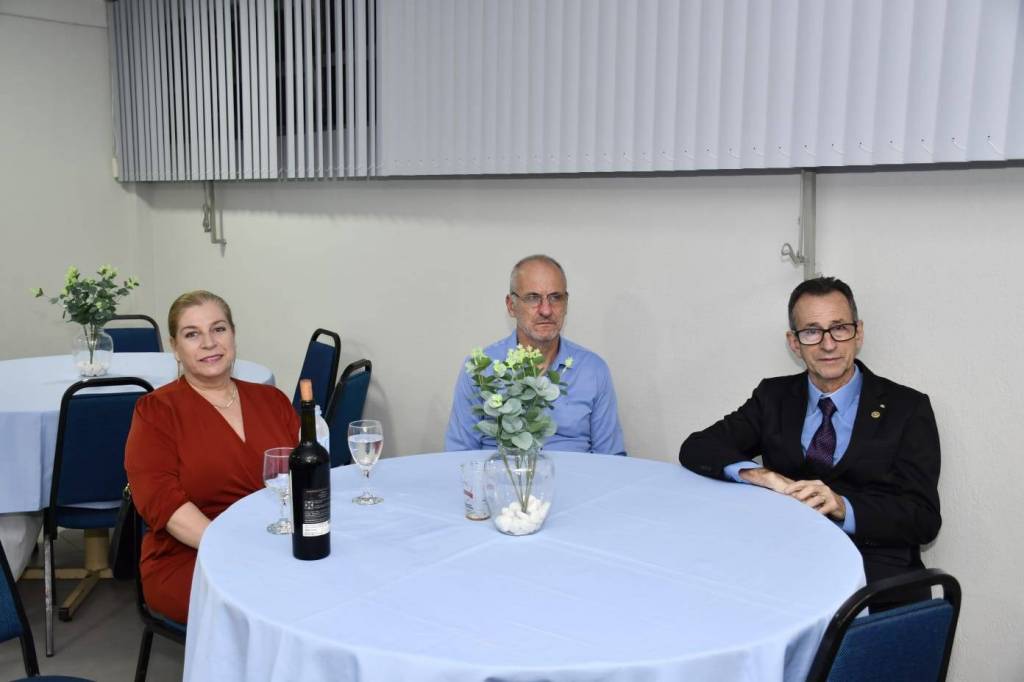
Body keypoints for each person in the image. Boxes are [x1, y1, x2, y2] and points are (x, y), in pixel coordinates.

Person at [679, 276, 940, 598]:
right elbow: (698, 447)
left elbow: (923, 518)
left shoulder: (907, 408)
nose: (828, 344)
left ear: (858, 332)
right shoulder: (773, 397)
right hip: (784, 561)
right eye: (812, 332)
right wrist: (761, 475)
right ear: (794, 342)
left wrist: (843, 506)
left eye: (839, 328)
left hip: (873, 573)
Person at [125, 291, 299, 623]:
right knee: (276, 601)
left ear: (233, 334)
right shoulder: (156, 412)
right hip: (193, 554)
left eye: (218, 329)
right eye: (192, 334)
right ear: (175, 347)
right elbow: (164, 504)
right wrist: (239, 550)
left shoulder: (273, 401)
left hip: (278, 541)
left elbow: (305, 480)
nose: (209, 343)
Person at [445, 254, 626, 456]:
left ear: (566, 303)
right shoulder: (481, 368)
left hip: (576, 475)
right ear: (511, 306)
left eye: (555, 297)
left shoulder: (593, 370)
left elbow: (612, 458)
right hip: (503, 475)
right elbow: (458, 456)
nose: (546, 310)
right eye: (533, 298)